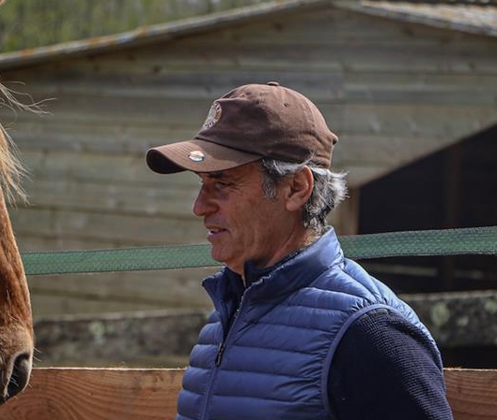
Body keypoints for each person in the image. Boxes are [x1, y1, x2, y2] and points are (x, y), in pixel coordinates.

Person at [145, 82, 453, 420]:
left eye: (222, 183)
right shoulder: (229, 310)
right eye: (202, 185)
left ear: (296, 188)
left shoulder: (372, 333)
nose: (199, 206)